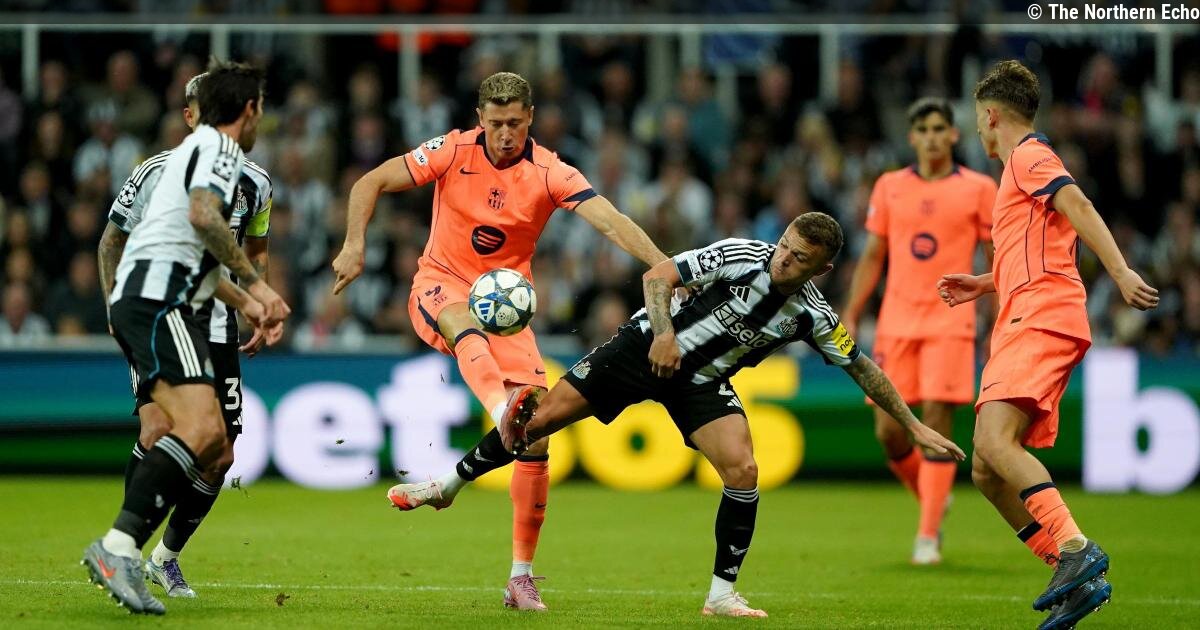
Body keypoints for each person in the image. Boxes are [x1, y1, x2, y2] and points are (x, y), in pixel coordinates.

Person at [390, 213, 965, 618]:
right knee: (534, 424)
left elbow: (861, 366)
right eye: (785, 246)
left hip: (702, 382)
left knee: (743, 470)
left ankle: (721, 595)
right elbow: (658, 275)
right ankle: (446, 486)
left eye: (799, 259)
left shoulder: (812, 314)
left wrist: (913, 425)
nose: (784, 259)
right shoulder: (742, 254)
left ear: (823, 267)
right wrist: (665, 333)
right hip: (643, 348)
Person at [330, 71, 668, 611]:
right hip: (441, 285)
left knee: (537, 437)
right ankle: (498, 407)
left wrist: (664, 264)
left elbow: (610, 221)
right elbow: (368, 182)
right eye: (495, 124)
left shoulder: (551, 171)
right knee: (463, 324)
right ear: (480, 119)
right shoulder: (451, 150)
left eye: (514, 123)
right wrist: (354, 245)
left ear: (530, 118)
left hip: (506, 312)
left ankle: (519, 577)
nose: (505, 134)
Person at [939, 60, 1159, 630]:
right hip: (1026, 311)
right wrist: (984, 282)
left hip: (1039, 314)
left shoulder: (1028, 156)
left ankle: (1075, 549)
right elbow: (1040, 248)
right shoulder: (1018, 171)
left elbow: (1078, 206)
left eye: (977, 120)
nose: (977, 131)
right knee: (986, 469)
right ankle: (1071, 574)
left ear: (992, 115)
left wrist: (1120, 271)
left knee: (995, 440)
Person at [82, 60, 289, 616]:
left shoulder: (194, 154)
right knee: (192, 429)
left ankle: (131, 551)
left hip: (162, 298)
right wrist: (256, 285)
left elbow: (194, 255)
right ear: (249, 110)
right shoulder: (220, 151)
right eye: (260, 108)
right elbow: (203, 218)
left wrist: (250, 303)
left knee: (214, 439)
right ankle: (119, 548)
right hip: (159, 301)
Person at [841, 97, 997, 565]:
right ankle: (933, 497)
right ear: (912, 137)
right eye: (923, 130)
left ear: (953, 134)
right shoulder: (890, 186)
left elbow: (996, 259)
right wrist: (852, 311)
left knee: (935, 416)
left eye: (939, 129)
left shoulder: (979, 188)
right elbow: (873, 254)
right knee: (889, 432)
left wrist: (1000, 318)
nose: (931, 137)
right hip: (896, 322)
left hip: (951, 320)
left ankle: (927, 536)